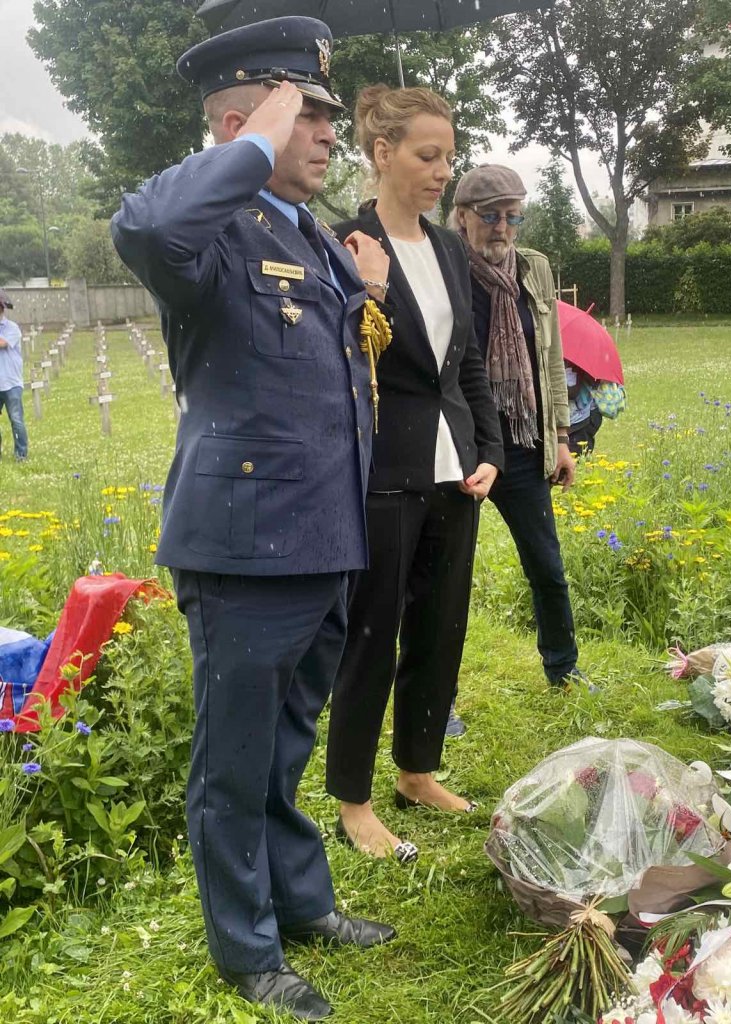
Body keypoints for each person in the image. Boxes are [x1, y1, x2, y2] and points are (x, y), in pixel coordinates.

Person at [111, 18, 395, 1021]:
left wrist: (363, 289)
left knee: (284, 747)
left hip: (321, 536)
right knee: (233, 765)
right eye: (305, 113)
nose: (328, 132)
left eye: (324, 114)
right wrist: (248, 142)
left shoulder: (304, 231)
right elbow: (146, 229)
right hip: (245, 547)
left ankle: (301, 903)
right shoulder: (209, 230)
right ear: (242, 124)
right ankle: (247, 949)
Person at [324, 86, 504, 861]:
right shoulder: (344, 244)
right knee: (372, 634)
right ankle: (353, 798)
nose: (442, 172)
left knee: (441, 626)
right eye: (428, 156)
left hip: (455, 470)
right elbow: (332, 358)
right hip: (382, 468)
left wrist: (489, 448)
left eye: (448, 157)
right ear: (382, 152)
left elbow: (468, 363)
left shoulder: (451, 251)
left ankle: (416, 770)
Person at [450, 164, 594, 703]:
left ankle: (563, 668)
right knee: (444, 583)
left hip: (523, 439)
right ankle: (438, 699)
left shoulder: (535, 268)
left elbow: (550, 357)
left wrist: (561, 437)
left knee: (547, 568)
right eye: (491, 216)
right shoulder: (443, 265)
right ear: (462, 216)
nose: (502, 228)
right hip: (460, 447)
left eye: (513, 217)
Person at [0, 289, 29, 462]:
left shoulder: (12, 328)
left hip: (11, 383)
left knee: (16, 420)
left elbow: (2, 343)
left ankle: (21, 454)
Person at [565, 360, 603, 456]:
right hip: (581, 416)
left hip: (583, 418)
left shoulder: (579, 365)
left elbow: (572, 392)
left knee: (578, 451)